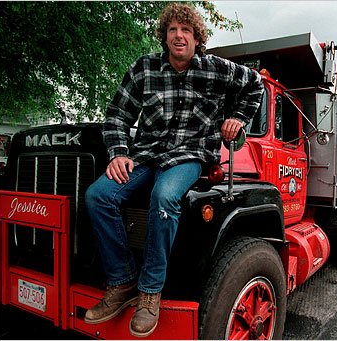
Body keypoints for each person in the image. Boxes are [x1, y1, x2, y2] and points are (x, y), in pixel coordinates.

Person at [83, 2, 263, 338]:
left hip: (189, 155)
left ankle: (150, 291)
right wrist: (119, 153)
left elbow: (256, 86)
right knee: (98, 196)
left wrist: (238, 117)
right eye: (172, 30)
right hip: (146, 154)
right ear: (164, 36)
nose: (178, 36)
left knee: (164, 197)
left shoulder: (216, 69)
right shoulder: (144, 69)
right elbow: (117, 116)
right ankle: (122, 282)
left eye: (186, 31)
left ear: (197, 38)